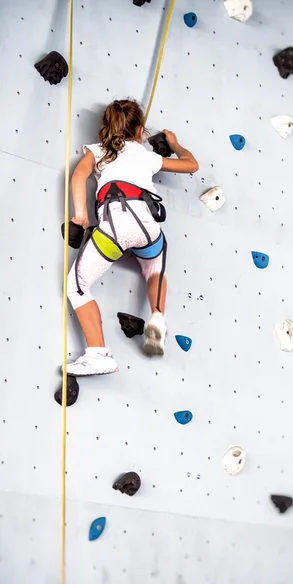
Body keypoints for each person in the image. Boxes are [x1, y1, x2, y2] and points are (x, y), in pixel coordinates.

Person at [66, 98, 198, 376]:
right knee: (154, 270)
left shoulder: (99, 151)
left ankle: (98, 354)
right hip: (148, 227)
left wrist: (81, 216)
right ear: (140, 131)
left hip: (115, 225)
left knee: (76, 286)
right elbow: (191, 165)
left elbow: (79, 175)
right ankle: (158, 316)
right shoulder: (146, 156)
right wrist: (174, 144)